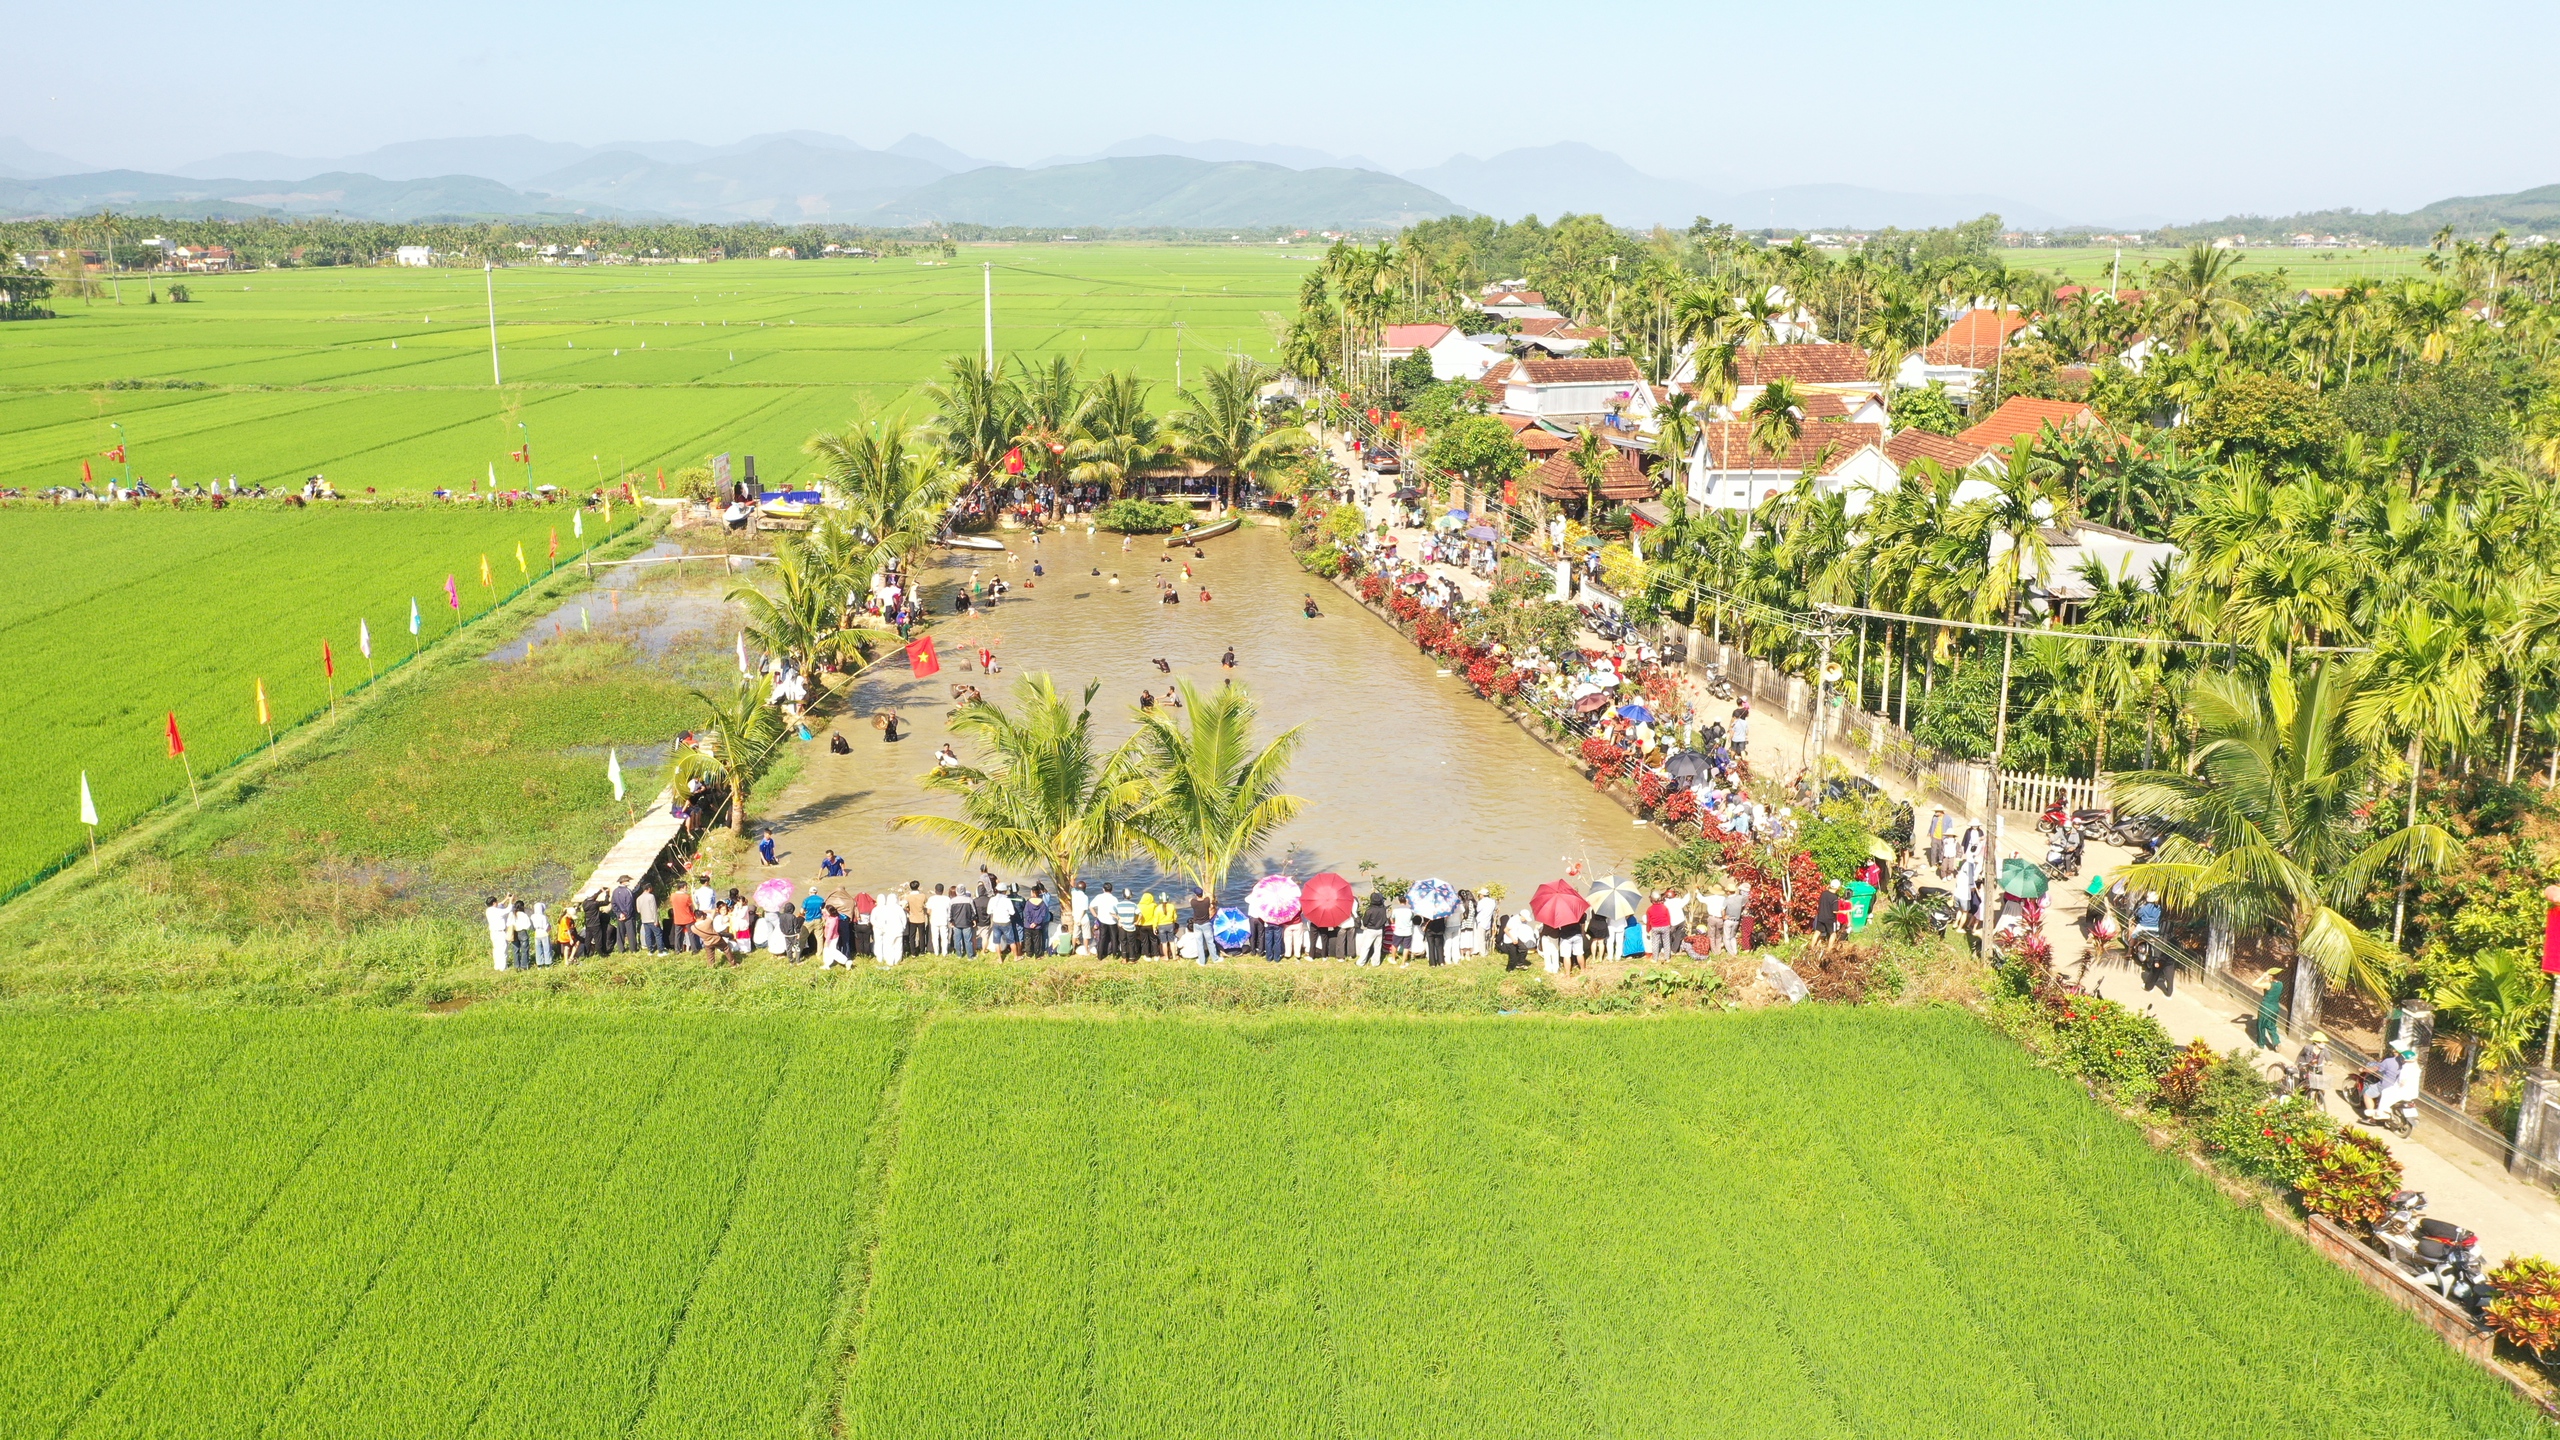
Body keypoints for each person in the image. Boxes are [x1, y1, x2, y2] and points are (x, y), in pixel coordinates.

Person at [1357, 890, 1387, 966]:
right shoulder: (1383, 910)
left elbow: (1365, 922)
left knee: (1366, 946)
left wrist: (1367, 925)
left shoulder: (1369, 911)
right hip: (1380, 930)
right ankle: (1376, 963)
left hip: (1371, 930)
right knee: (1377, 947)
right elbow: (1384, 920)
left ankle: (1361, 962)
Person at [484, 896, 512, 972]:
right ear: (493, 903)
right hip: (500, 933)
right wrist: (511, 901)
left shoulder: (489, 910)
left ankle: (497, 966)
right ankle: (503, 968)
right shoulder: (497, 911)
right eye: (496, 902)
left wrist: (506, 898)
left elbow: (500, 905)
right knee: (503, 949)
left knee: (496, 950)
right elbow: (508, 910)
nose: (497, 903)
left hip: (493, 933)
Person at [611, 876, 639, 952]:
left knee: (620, 933)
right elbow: (629, 905)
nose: (629, 882)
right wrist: (626, 915)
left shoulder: (615, 891)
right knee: (631, 933)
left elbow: (613, 904)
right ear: (623, 882)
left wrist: (619, 914)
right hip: (629, 916)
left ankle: (621, 949)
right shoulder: (627, 891)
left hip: (620, 916)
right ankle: (633, 949)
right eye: (628, 880)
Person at [667, 882, 696, 954]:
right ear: (682, 888)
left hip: (678, 918)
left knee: (677, 935)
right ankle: (694, 949)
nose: (686, 889)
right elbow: (691, 907)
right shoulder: (686, 896)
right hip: (687, 918)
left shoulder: (673, 896)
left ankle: (677, 950)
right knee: (691, 934)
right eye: (686, 887)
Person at [927, 883, 954, 955]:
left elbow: (928, 911)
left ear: (935, 890)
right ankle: (944, 952)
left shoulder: (931, 899)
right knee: (944, 937)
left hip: (934, 920)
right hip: (944, 920)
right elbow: (950, 910)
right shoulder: (947, 899)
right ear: (943, 890)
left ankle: (936, 952)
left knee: (935, 937)